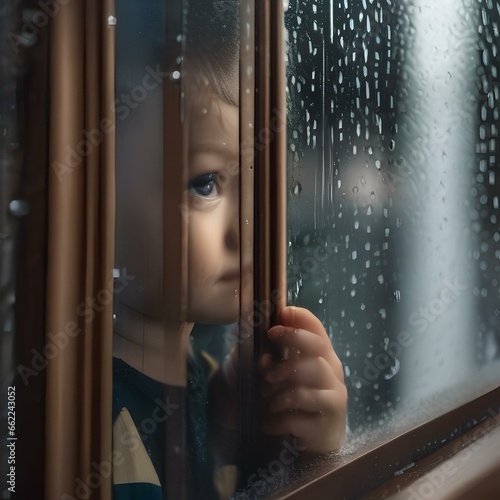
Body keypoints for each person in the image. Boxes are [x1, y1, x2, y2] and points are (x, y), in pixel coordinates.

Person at [111, 1, 347, 498]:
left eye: (263, 178)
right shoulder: (82, 415)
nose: (248, 228)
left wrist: (302, 445)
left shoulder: (213, 382)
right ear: (94, 198)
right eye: (204, 184)